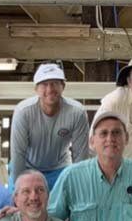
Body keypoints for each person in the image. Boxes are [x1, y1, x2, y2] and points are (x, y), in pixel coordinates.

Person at [9, 61, 90, 192]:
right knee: (20, 203)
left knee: (64, 208)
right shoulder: (23, 112)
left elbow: (81, 157)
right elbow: (18, 154)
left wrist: (79, 190)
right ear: (36, 89)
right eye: (44, 84)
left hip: (60, 169)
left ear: (63, 86)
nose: (50, 89)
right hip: (27, 167)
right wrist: (19, 190)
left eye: (55, 83)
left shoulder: (77, 112)